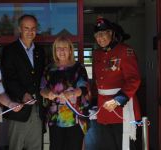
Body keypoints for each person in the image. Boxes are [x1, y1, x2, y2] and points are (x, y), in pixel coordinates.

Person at [92, 16, 141, 150]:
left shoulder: (125, 51)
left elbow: (134, 79)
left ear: (111, 33)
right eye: (97, 35)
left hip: (122, 108)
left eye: (103, 33)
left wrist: (118, 100)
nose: (100, 38)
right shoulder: (96, 54)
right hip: (104, 110)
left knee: (125, 146)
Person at [1, 14, 46, 150]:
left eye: (33, 28)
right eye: (26, 28)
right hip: (18, 108)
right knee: (16, 146)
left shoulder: (40, 51)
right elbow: (8, 77)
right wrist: (23, 94)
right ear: (19, 29)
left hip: (38, 108)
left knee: (36, 146)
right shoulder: (9, 50)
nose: (30, 32)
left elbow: (43, 76)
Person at [40, 36, 90, 150]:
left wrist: (70, 94)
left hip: (75, 117)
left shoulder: (79, 67)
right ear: (54, 50)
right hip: (55, 118)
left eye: (65, 48)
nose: (61, 51)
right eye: (58, 48)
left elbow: (84, 88)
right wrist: (48, 94)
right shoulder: (49, 68)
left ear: (70, 50)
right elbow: (42, 89)